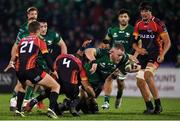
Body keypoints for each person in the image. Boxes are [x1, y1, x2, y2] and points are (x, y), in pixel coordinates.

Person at [14, 21, 60, 119]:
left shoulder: (22, 40)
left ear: (29, 30)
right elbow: (47, 57)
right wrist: (53, 69)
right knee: (55, 86)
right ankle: (51, 110)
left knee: (22, 87)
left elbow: (16, 57)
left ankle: (18, 110)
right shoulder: (39, 41)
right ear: (38, 30)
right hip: (31, 70)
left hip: (19, 70)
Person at [25, 54, 95, 116]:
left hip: (59, 83)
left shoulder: (59, 57)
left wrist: (49, 87)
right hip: (71, 86)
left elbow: (53, 72)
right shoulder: (79, 62)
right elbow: (86, 85)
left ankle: (34, 101)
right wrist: (93, 95)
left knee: (50, 91)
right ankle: (72, 106)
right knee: (79, 95)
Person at [133, 1, 171, 114]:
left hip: (155, 55)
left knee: (148, 76)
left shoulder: (158, 23)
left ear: (150, 12)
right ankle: (149, 107)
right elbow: (134, 43)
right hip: (143, 56)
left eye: (146, 11)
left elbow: (167, 42)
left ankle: (158, 105)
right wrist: (139, 50)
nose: (144, 13)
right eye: (142, 11)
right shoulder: (138, 24)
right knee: (139, 82)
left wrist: (162, 54)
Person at [80, 43, 140, 112]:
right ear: (111, 52)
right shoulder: (103, 53)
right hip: (87, 79)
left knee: (93, 110)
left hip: (99, 84)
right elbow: (88, 51)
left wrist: (131, 68)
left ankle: (90, 101)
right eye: (119, 55)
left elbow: (137, 66)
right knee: (82, 102)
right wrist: (94, 62)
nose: (120, 57)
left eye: (122, 55)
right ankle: (73, 103)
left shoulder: (122, 58)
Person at [4, 7, 40, 111]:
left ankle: (22, 101)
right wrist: (12, 60)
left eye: (35, 14)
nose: (33, 16)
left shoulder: (38, 26)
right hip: (25, 58)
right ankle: (16, 100)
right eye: (31, 14)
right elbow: (15, 46)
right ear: (27, 15)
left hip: (34, 58)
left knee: (32, 81)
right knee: (24, 82)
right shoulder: (23, 29)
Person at [102, 9, 136, 109]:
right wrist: (106, 45)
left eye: (125, 16)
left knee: (120, 84)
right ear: (118, 18)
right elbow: (106, 41)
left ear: (128, 18)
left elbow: (138, 45)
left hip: (125, 60)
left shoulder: (133, 30)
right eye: (121, 16)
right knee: (109, 77)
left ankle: (119, 96)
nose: (123, 18)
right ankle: (106, 102)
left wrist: (133, 58)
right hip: (113, 59)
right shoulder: (112, 29)